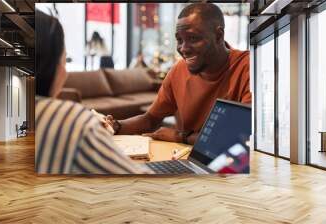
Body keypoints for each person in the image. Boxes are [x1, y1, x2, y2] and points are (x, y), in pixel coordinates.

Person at [106, 3, 251, 145]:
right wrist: (116, 126)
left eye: (193, 38)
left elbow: (241, 137)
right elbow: (151, 119)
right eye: (179, 40)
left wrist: (180, 136)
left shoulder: (248, 66)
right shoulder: (179, 70)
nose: (183, 49)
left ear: (219, 36)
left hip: (229, 161)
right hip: (186, 157)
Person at [35, 10, 152, 174]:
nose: (65, 72)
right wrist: (92, 133)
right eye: (64, 59)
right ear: (51, 65)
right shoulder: (70, 120)